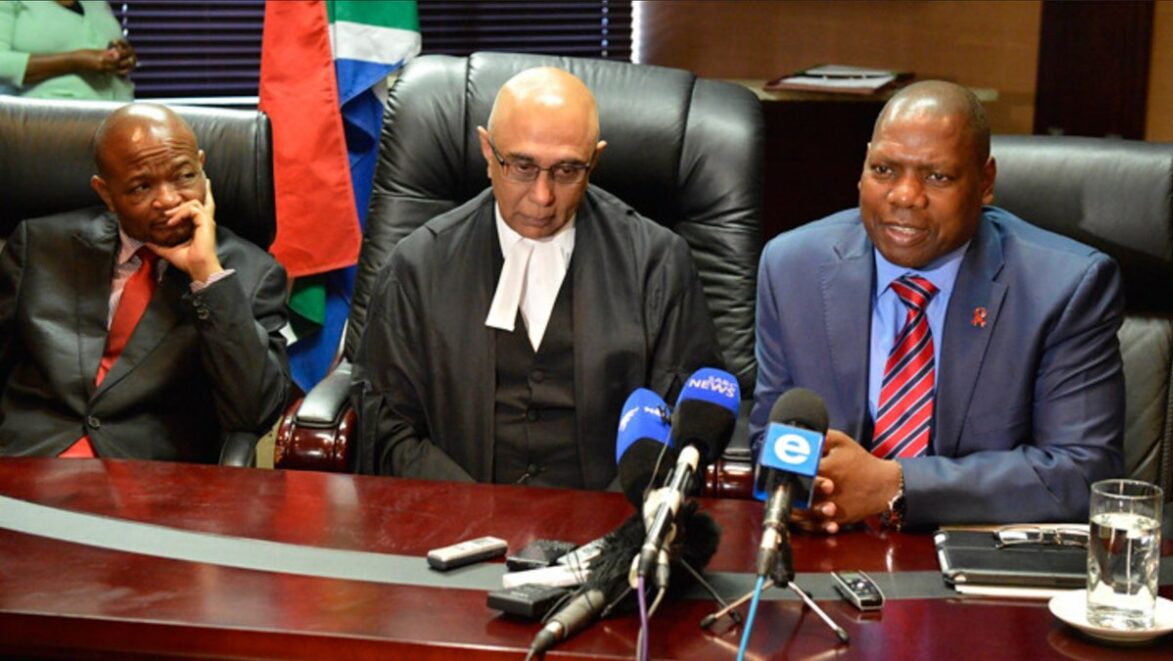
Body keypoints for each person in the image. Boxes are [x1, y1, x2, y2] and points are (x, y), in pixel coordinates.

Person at [751, 80, 1123, 530]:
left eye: (937, 176)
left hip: (979, 565)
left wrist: (896, 484)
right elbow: (772, 437)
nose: (905, 196)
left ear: (985, 183)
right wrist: (804, 491)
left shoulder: (1065, 287)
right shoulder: (794, 268)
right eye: (884, 169)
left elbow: (1082, 473)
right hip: (833, 555)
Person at [351, 67, 721, 490]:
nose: (543, 197)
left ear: (594, 160)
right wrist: (473, 514)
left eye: (567, 171)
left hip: (611, 530)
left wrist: (611, 527)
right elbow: (387, 430)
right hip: (454, 529)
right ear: (487, 151)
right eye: (522, 167)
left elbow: (686, 420)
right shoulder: (417, 267)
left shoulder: (657, 263)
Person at [0, 103, 291, 461]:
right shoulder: (39, 246)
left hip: (146, 480)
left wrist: (207, 275)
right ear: (106, 194)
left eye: (185, 176)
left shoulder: (250, 275)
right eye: (141, 187)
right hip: (26, 463)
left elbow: (254, 413)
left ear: (202, 166)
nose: (169, 200)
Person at [0, 0, 135, 100]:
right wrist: (75, 62)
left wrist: (123, 57)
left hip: (117, 120)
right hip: (50, 125)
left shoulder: (97, 3)